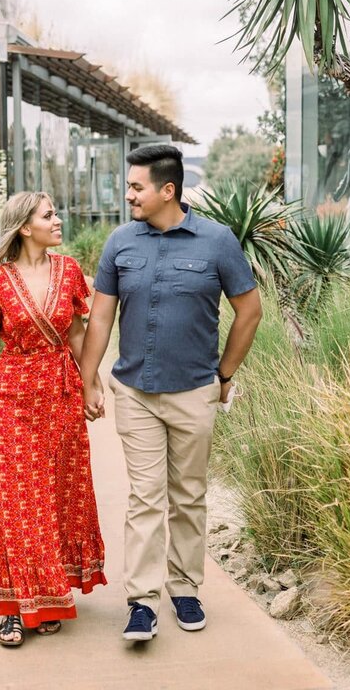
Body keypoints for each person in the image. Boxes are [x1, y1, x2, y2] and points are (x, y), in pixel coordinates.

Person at [79, 144, 262, 642]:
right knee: (145, 497)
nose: (128, 194)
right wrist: (88, 377)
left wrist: (224, 375)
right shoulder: (120, 242)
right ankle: (141, 601)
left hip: (195, 391)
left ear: (168, 190)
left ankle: (184, 589)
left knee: (188, 495)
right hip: (134, 390)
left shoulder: (217, 241)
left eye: (136, 187)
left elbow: (250, 311)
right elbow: (100, 316)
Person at [0, 191, 107, 647]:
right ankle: (12, 608)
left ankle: (46, 599)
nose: (58, 219)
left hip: (60, 395)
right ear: (25, 227)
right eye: (49, 215)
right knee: (14, 504)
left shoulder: (69, 272)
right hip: (9, 399)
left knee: (53, 499)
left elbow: (76, 333)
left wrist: (92, 383)